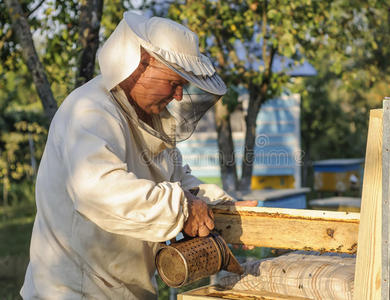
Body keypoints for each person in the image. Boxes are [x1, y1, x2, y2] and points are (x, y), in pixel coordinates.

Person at [21, 12, 254, 299]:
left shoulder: (151, 119)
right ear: (141, 64)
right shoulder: (89, 110)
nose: (179, 96)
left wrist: (223, 207)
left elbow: (177, 182)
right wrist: (184, 208)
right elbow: (98, 191)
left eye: (184, 86)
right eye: (173, 83)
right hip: (75, 290)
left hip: (129, 288)